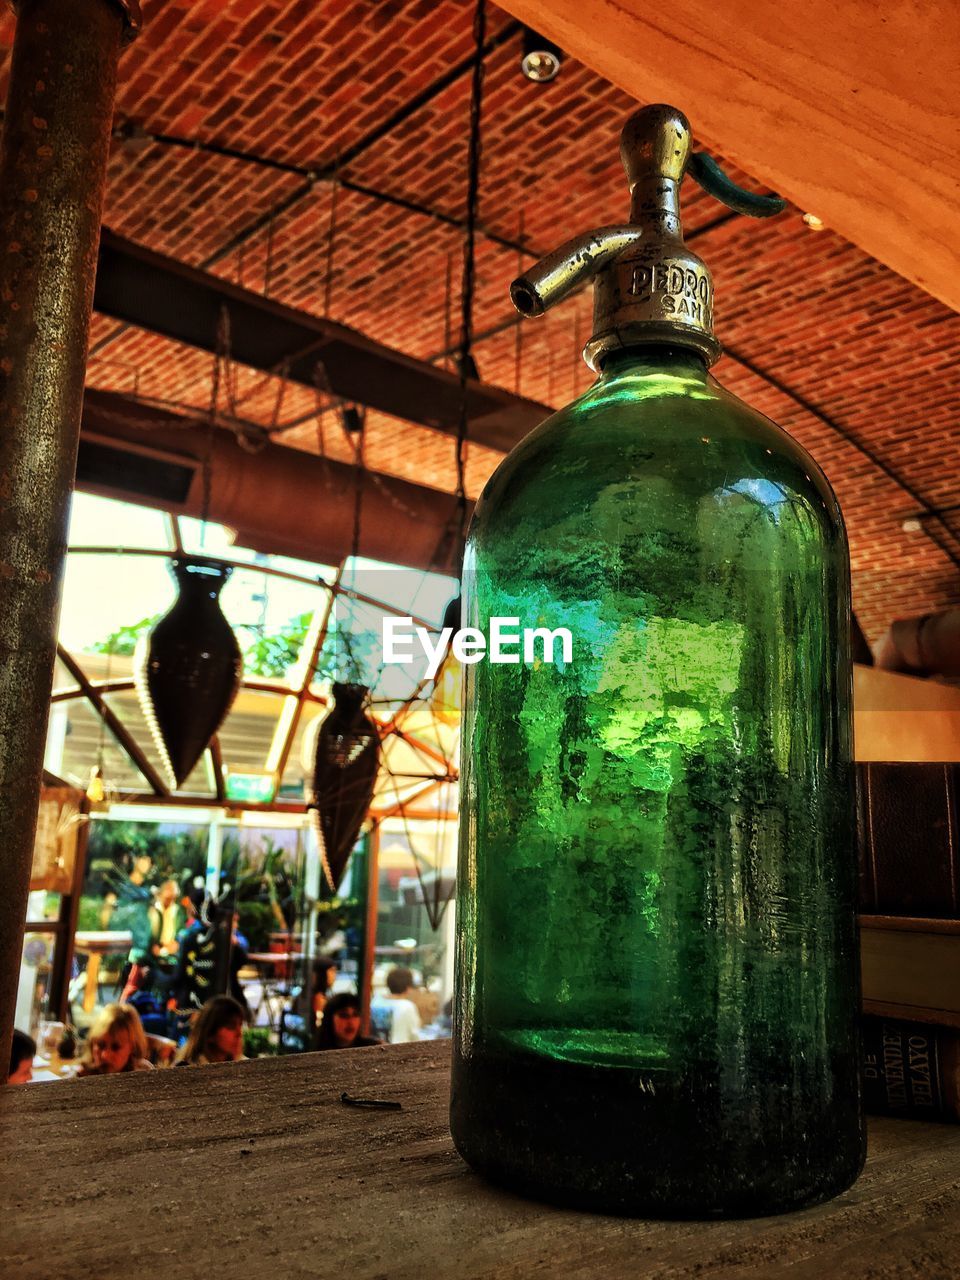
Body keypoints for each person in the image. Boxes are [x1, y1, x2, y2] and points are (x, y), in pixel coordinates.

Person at [77, 1003, 153, 1076]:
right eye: (100, 1045)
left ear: (132, 1047)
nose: (105, 1056)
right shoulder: (82, 1075)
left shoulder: (142, 1075)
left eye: (116, 1047)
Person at [175, 995, 247, 1066]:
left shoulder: (244, 1066)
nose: (239, 1033)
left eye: (240, 1025)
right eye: (231, 1026)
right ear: (210, 1033)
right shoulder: (187, 1070)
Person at [369, 966, 422, 1044]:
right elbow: (415, 1036)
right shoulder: (407, 1006)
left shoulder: (376, 1000)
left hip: (377, 1048)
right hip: (399, 1051)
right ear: (408, 987)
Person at [314, 993, 381, 1051]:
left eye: (355, 1014)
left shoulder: (373, 1048)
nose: (351, 1022)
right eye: (344, 1015)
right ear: (329, 1019)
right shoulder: (314, 1052)